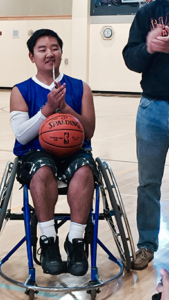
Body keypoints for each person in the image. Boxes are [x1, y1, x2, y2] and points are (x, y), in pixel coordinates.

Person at [10, 29, 98, 276]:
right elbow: (22, 135)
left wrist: (66, 108)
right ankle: (48, 241)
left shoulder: (81, 88)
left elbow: (89, 131)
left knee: (84, 170)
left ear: (61, 52)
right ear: (31, 56)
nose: (50, 54)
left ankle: (77, 241)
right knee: (41, 170)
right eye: (42, 49)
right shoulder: (21, 90)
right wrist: (47, 110)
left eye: (55, 48)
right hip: (36, 154)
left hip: (75, 152)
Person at [123, 0, 169, 270]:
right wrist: (149, 47)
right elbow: (131, 58)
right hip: (152, 107)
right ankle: (146, 245)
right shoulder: (146, 13)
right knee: (148, 183)